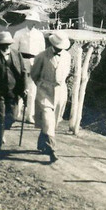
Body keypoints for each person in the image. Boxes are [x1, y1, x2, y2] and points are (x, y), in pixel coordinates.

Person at [28, 31, 72, 163]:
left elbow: (66, 73)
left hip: (60, 92)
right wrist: (43, 86)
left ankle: (41, 144)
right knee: (48, 119)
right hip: (44, 91)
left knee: (54, 121)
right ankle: (52, 150)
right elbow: (34, 74)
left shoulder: (67, 56)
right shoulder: (42, 56)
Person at [0, 31, 27, 157]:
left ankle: (2, 132)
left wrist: (24, 89)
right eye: (3, 44)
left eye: (7, 44)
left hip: (13, 91)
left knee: (12, 117)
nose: (5, 47)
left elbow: (23, 72)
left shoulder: (17, 55)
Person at [13, 9, 46, 124]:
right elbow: (14, 51)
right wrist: (17, 65)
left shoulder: (39, 35)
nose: (31, 23)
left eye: (33, 21)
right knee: (20, 88)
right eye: (29, 20)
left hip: (35, 64)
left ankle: (29, 115)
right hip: (22, 63)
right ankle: (16, 113)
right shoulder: (19, 33)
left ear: (36, 22)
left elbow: (42, 52)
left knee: (32, 90)